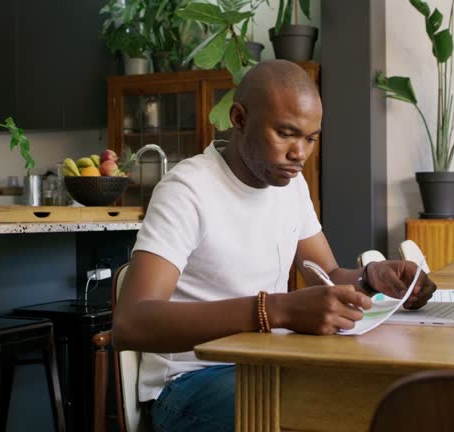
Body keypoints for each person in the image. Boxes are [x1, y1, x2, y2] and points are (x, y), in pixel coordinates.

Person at [112, 60, 437, 432]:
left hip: (270, 363)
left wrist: (369, 279)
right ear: (239, 118)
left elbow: (328, 275)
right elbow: (131, 322)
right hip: (190, 382)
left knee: (386, 400)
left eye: (310, 139)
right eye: (286, 133)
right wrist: (274, 310)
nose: (299, 153)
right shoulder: (187, 190)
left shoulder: (291, 185)